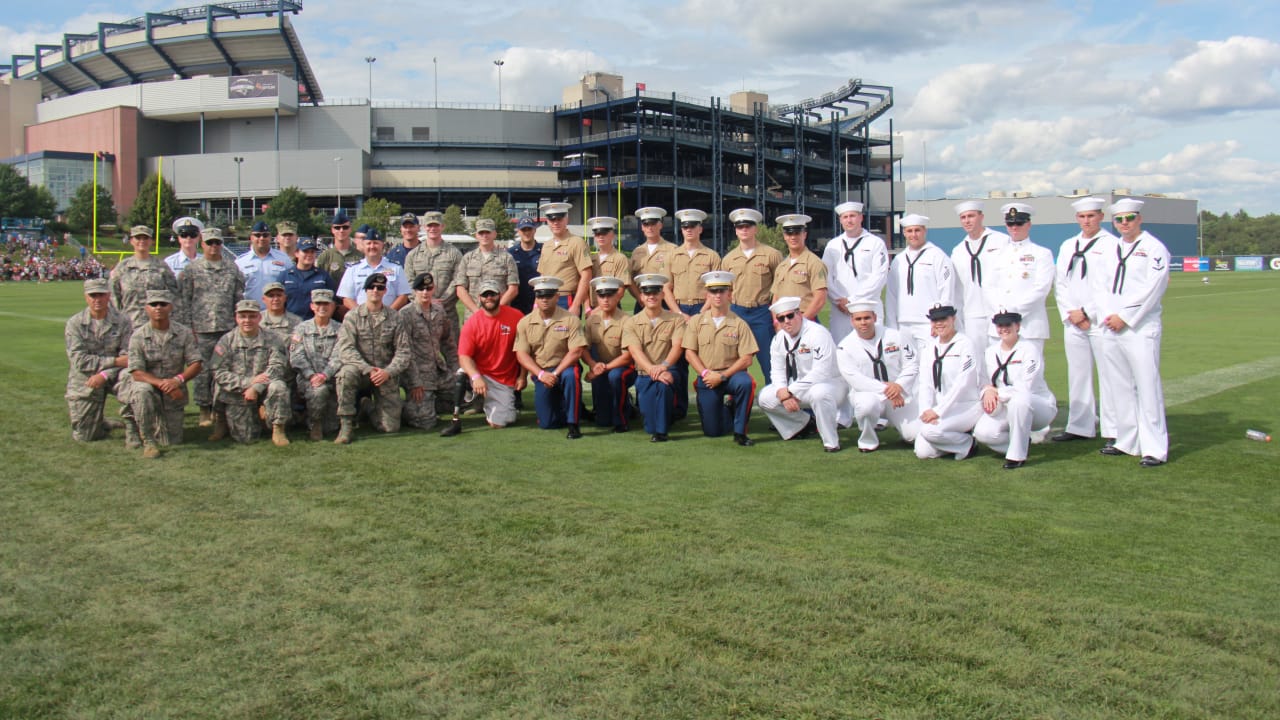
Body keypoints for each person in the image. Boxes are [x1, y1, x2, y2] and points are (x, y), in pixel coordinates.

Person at [1095, 198, 1170, 467]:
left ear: (1139, 219)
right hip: (1110, 325)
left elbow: (1153, 288)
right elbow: (1101, 286)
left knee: (1147, 387)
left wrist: (1124, 317)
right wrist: (1108, 315)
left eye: (1129, 218)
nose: (1124, 224)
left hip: (1139, 326)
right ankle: (1127, 441)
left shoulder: (1153, 248)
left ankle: (1154, 447)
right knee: (1119, 386)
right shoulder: (1110, 249)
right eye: (1119, 220)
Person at [1052, 197, 1118, 443]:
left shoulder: (1112, 244)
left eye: (1091, 216)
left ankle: (1114, 429)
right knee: (1078, 374)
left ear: (1101, 216)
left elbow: (1110, 286)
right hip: (1073, 321)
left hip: (1099, 320)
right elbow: (1061, 284)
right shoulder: (1069, 245)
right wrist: (1070, 313)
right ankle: (1080, 425)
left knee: (1109, 375)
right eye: (1082, 216)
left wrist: (1087, 312)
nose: (1086, 221)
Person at [757, 296, 847, 453]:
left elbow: (821, 371)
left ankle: (831, 441)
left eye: (790, 316)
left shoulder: (818, 333)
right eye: (781, 318)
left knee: (819, 394)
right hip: (797, 387)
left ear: (799, 314)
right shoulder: (779, 339)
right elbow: (777, 370)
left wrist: (791, 391)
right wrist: (783, 391)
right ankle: (803, 425)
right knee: (765, 397)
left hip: (830, 385)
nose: (787, 321)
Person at [177, 227, 245, 428]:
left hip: (227, 328)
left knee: (227, 369)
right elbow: (184, 301)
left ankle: (222, 409)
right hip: (201, 329)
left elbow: (238, 298)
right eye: (210, 243)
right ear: (202, 244)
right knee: (202, 370)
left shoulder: (232, 268)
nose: (214, 246)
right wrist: (189, 329)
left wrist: (237, 327)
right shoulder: (192, 270)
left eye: (217, 242)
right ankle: (204, 409)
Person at [122, 290, 202, 458]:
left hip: (174, 395)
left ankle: (147, 425)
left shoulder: (184, 333)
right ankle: (147, 440)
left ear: (170, 307)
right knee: (141, 390)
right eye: (153, 304)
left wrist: (177, 380)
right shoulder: (138, 336)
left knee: (172, 441)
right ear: (146, 308)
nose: (158, 308)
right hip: (150, 389)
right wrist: (164, 384)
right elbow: (137, 372)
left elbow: (196, 364)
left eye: (163, 304)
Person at [333, 273, 412, 443]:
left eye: (380, 288)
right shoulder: (352, 316)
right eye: (372, 287)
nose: (376, 290)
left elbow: (404, 352)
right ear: (366, 290)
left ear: (385, 291)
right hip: (360, 371)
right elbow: (346, 350)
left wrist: (388, 371)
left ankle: (367, 407)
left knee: (391, 428)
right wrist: (367, 369)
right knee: (345, 374)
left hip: (384, 373)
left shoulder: (394, 317)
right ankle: (346, 425)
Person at [973, 311, 1058, 469]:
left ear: (1017, 326)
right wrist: (987, 391)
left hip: (1038, 405)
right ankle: (1021, 442)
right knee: (983, 433)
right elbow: (983, 380)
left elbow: (1025, 386)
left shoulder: (1030, 349)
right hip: (1006, 404)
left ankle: (1017, 456)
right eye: (1000, 325)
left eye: (1008, 325)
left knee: (1020, 400)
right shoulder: (991, 352)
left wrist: (997, 393)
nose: (1004, 329)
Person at [440, 279, 525, 436]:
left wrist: (522, 376)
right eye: (485, 295)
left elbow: (525, 350)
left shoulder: (516, 317)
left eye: (492, 294)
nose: (489, 298)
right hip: (480, 373)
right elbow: (464, 356)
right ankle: (456, 416)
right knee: (461, 373)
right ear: (479, 297)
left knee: (499, 423)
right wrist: (476, 376)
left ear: (499, 295)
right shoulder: (472, 323)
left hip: (503, 378)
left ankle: (493, 402)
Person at [684, 270, 759, 446]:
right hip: (707, 376)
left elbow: (747, 359)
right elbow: (689, 353)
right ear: (707, 295)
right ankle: (728, 410)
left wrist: (723, 376)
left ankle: (740, 432)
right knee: (712, 432)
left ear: (729, 294)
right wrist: (704, 373)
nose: (717, 295)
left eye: (721, 291)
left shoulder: (739, 323)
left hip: (732, 375)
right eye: (713, 291)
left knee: (746, 383)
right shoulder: (696, 321)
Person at [835, 302, 919, 452]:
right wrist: (888, 390)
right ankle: (868, 440)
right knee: (866, 406)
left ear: (874, 317)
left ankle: (902, 430)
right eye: (858, 319)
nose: (863, 322)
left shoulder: (895, 336)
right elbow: (856, 380)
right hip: (869, 394)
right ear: (852, 321)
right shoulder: (845, 347)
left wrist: (899, 385)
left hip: (899, 394)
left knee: (914, 435)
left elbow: (912, 364)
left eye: (867, 318)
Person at [208, 299, 292, 446]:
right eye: (243, 316)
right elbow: (218, 371)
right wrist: (247, 383)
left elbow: (277, 367)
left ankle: (278, 428)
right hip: (237, 390)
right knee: (246, 438)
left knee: (278, 386)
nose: (247, 320)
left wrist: (256, 387)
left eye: (252, 316)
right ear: (236, 318)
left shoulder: (273, 338)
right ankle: (222, 420)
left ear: (259, 317)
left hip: (264, 387)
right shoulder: (226, 340)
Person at [515, 276, 588, 438]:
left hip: (564, 368)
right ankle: (565, 407)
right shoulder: (525, 322)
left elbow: (576, 351)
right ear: (536, 298)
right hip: (541, 371)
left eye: (549, 295)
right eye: (541, 296)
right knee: (547, 423)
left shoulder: (570, 319)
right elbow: (522, 354)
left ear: (557, 296)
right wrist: (541, 375)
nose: (545, 300)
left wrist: (555, 374)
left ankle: (573, 423)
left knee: (571, 376)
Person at [64, 278, 132, 442]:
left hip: (115, 375)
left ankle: (135, 429)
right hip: (85, 377)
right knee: (85, 436)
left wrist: (104, 374)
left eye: (101, 295)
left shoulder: (123, 321)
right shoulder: (75, 324)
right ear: (86, 297)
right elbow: (80, 361)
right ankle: (102, 423)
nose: (97, 299)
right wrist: (114, 362)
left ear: (108, 296)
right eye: (93, 295)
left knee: (135, 382)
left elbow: (128, 358)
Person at [622, 273, 688, 442]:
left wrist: (664, 366)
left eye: (655, 292)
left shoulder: (676, 320)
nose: (651, 296)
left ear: (662, 295)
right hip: (645, 375)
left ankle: (662, 432)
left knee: (664, 386)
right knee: (649, 426)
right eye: (647, 293)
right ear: (641, 297)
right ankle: (662, 417)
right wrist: (653, 369)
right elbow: (635, 351)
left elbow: (677, 346)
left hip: (668, 371)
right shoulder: (632, 322)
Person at [982, 203, 1055, 354]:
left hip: (1029, 325)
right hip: (999, 324)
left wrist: (1014, 313)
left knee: (1030, 374)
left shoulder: (1042, 253)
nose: (1014, 227)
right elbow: (988, 286)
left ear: (1028, 224)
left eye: (1019, 223)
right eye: (1010, 223)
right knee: (999, 373)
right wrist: (1001, 312)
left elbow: (1041, 288)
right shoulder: (995, 254)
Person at [913, 304, 982, 461]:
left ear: (953, 319)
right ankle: (955, 441)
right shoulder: (930, 348)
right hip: (940, 409)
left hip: (966, 406)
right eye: (935, 320)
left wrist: (938, 411)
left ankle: (968, 443)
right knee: (923, 452)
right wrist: (925, 412)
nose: (939, 323)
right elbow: (925, 384)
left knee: (930, 432)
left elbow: (962, 383)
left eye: (943, 319)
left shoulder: (966, 344)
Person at [721, 208, 780, 379]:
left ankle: (776, 397)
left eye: (748, 226)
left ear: (755, 229)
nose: (744, 230)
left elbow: (780, 284)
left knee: (769, 362)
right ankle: (735, 402)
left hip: (761, 312)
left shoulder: (771, 255)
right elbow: (726, 288)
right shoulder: (729, 259)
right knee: (734, 362)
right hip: (737, 313)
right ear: (736, 230)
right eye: (740, 227)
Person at [884, 214, 957, 352]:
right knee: (907, 366)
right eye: (909, 231)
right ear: (904, 233)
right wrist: (891, 325)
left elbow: (946, 290)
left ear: (924, 231)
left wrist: (939, 320)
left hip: (928, 323)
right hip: (903, 323)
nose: (914, 234)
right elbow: (891, 294)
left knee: (929, 366)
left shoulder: (937, 256)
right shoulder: (898, 260)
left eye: (917, 230)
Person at [949, 200, 1009, 368]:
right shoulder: (958, 250)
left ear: (981, 217)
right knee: (978, 361)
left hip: (998, 309)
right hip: (972, 313)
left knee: (1002, 357)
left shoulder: (1001, 241)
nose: (967, 221)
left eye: (971, 216)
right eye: (963, 217)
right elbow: (957, 289)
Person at [822, 201, 889, 343]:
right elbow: (825, 276)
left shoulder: (875, 243)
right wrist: (839, 301)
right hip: (840, 310)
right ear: (840, 220)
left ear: (861, 217)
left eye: (852, 216)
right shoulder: (833, 245)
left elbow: (879, 277)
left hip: (868, 307)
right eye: (845, 217)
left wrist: (853, 301)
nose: (849, 220)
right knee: (842, 351)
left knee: (873, 350)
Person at [400, 272, 456, 431]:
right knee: (426, 423)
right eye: (421, 289)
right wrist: (415, 382)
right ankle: (399, 408)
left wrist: (457, 370)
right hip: (417, 374)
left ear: (433, 289)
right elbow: (405, 352)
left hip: (438, 370)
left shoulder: (439, 312)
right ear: (414, 291)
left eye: (428, 288)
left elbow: (448, 343)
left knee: (467, 395)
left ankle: (429, 404)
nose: (425, 292)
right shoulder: (405, 314)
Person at [289, 288, 343, 441]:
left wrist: (325, 375)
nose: (322, 307)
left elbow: (339, 356)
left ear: (333, 306)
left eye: (326, 304)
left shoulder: (340, 329)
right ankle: (315, 424)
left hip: (331, 379)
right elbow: (296, 356)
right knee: (319, 391)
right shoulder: (301, 329)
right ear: (312, 306)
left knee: (332, 427)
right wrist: (311, 375)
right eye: (318, 304)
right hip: (307, 380)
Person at [583, 276, 635, 432]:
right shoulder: (592, 320)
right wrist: (593, 365)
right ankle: (620, 407)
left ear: (618, 296)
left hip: (623, 367)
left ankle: (622, 419)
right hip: (601, 367)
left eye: (610, 295)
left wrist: (602, 368)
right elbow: (583, 348)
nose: (605, 300)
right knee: (602, 421)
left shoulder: (627, 320)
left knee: (615, 377)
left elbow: (628, 356)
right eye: (601, 295)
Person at [403, 210, 464, 334]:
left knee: (452, 352)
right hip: (420, 314)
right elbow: (408, 282)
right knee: (423, 351)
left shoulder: (454, 253)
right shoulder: (413, 255)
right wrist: (426, 301)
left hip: (447, 312)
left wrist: (441, 301)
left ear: (442, 226)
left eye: (436, 225)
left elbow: (458, 280)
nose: (433, 228)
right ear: (424, 227)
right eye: (429, 225)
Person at [111, 225, 181, 327]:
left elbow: (174, 296)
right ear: (131, 241)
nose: (142, 241)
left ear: (151, 241)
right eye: (138, 238)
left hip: (156, 326)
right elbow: (114, 298)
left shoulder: (161, 267)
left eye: (145, 238)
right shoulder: (122, 268)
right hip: (129, 326)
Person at [534, 202, 592, 314]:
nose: (556, 223)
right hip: (545, 297)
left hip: (566, 298)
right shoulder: (546, 245)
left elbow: (586, 275)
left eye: (559, 219)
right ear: (547, 221)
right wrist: (536, 303)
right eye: (552, 220)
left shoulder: (577, 243)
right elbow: (542, 276)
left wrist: (576, 304)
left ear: (566, 219)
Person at [456, 218, 520, 316]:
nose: (484, 236)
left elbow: (513, 288)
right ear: (476, 235)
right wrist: (477, 312)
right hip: (474, 316)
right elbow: (460, 289)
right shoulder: (467, 259)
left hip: (499, 315)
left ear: (494, 234)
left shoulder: (506, 258)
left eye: (488, 232)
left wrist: (495, 309)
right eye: (481, 233)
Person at [770, 214, 828, 321]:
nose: (793, 237)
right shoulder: (781, 266)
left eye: (797, 233)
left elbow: (820, 298)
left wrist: (801, 322)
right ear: (784, 236)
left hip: (806, 320)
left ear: (804, 234)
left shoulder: (814, 263)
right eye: (789, 233)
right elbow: (775, 298)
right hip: (784, 322)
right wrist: (776, 322)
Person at [337, 229, 411, 311]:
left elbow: (403, 296)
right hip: (361, 319)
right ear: (363, 246)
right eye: (368, 243)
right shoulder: (353, 269)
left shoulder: (396, 268)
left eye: (376, 243)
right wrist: (362, 314)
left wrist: (388, 315)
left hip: (389, 319)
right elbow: (347, 298)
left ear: (382, 245)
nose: (372, 246)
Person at [668, 208, 721, 318]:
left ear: (700, 229)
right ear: (681, 230)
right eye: (685, 227)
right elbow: (666, 288)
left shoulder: (712, 256)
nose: (688, 230)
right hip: (679, 308)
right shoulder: (672, 256)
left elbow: (716, 289)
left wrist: (701, 312)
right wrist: (679, 313)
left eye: (692, 226)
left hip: (704, 307)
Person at [628, 207, 678, 310]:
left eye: (653, 224)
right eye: (646, 224)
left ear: (660, 225)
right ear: (642, 227)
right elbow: (630, 279)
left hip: (665, 303)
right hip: (642, 303)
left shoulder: (673, 250)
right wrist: (639, 297)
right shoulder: (637, 252)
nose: (650, 228)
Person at [235, 220, 291, 307]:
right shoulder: (241, 262)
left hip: (276, 312)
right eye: (257, 235)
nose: (261, 238)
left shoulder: (284, 259)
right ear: (251, 237)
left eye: (265, 235)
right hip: (250, 313)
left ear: (270, 237)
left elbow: (290, 286)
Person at [282, 237, 337, 320]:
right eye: (305, 251)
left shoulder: (323, 276)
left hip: (315, 325)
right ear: (296, 253)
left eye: (312, 252)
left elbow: (332, 301)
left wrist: (325, 320)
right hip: (290, 323)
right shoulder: (285, 276)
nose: (309, 254)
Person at [588, 217, 631, 298]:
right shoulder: (591, 258)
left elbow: (621, 290)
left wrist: (603, 305)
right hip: (592, 307)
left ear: (612, 235)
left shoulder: (620, 258)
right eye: (597, 234)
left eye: (604, 233)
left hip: (612, 306)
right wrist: (587, 307)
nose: (601, 237)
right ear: (594, 237)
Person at [316, 211, 361, 287]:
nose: (341, 230)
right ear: (332, 230)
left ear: (350, 229)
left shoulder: (361, 256)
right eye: (337, 227)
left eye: (345, 227)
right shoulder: (324, 257)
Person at [508, 215, 542, 314]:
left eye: (529, 229)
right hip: (517, 302)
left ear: (535, 230)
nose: (527, 233)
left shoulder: (544, 251)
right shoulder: (511, 253)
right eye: (524, 230)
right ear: (518, 231)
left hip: (539, 301)